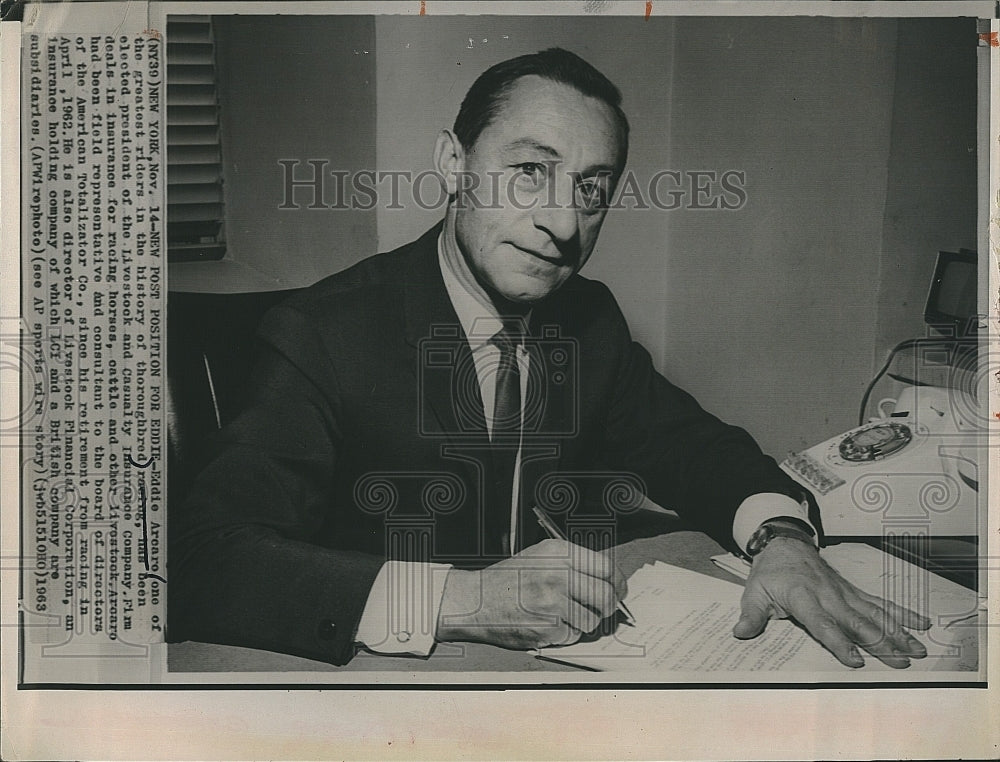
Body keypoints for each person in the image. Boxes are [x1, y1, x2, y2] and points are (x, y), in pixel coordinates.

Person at [168, 48, 929, 669]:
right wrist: (461, 602)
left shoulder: (585, 320)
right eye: (529, 170)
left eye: (591, 190)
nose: (562, 222)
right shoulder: (321, 331)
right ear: (452, 161)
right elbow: (203, 562)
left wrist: (782, 541)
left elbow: (696, 449)